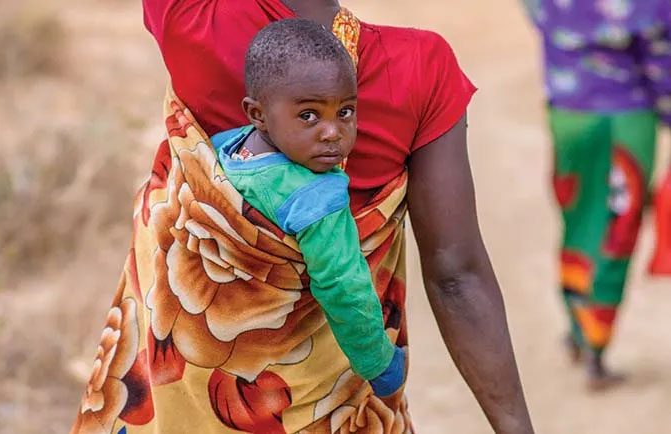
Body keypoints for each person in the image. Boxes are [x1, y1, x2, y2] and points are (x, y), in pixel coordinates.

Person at [70, 1, 534, 433]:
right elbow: (456, 276)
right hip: (334, 409)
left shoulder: (192, 20)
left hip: (180, 410)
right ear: (256, 114)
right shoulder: (420, 70)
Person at [216, 18, 406, 400]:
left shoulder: (228, 148)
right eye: (309, 115)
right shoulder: (317, 198)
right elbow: (342, 285)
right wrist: (380, 365)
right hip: (271, 379)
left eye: (346, 111)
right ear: (257, 115)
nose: (332, 131)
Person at [523, 0, 671, 389]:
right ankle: (596, 345)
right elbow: (660, 54)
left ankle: (576, 326)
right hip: (628, 117)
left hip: (568, 114)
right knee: (617, 230)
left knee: (579, 220)